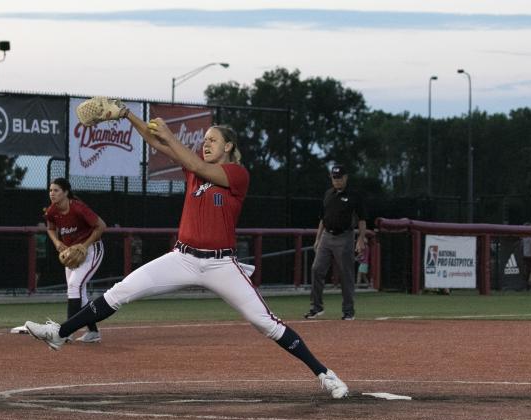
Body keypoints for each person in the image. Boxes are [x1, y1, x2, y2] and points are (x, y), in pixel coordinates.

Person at [24, 109, 348, 399]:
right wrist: (127, 115)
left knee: (266, 323)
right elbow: (159, 144)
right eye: (204, 139)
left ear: (229, 148)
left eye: (213, 140)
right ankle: (59, 333)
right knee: (120, 292)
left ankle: (324, 374)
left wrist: (170, 135)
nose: (206, 144)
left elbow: (187, 157)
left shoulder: (237, 174)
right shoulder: (196, 170)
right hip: (182, 258)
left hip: (220, 264)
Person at [45, 177, 107, 343]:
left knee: (74, 286)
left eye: (56, 190)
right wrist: (58, 242)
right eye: (51, 190)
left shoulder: (78, 208)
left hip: (92, 249)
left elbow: (101, 226)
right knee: (78, 292)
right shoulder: (52, 211)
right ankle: (93, 332)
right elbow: (50, 228)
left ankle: (66, 332)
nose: (52, 193)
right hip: (72, 253)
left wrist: (85, 246)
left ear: (65, 192)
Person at [305, 165, 366, 321]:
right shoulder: (328, 194)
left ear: (345, 178)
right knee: (316, 269)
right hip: (326, 235)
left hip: (345, 236)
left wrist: (360, 239)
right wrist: (318, 239)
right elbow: (322, 219)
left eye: (339, 177)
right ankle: (316, 307)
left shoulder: (354, 196)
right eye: (334, 178)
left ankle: (348, 311)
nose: (337, 180)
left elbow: (362, 219)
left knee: (346, 274)